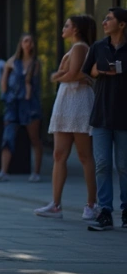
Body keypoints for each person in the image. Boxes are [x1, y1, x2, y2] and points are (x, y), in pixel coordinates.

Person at [35, 15, 97, 220]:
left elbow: (72, 74)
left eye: (67, 25)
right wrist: (66, 75)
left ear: (76, 29)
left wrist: (57, 75)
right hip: (66, 100)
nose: (63, 28)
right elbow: (72, 74)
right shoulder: (74, 48)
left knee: (84, 156)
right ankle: (56, 204)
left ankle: (91, 204)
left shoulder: (80, 47)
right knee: (59, 154)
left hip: (77, 102)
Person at [83, 8, 127, 231]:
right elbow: (87, 72)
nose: (104, 22)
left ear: (122, 24)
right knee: (102, 164)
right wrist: (100, 71)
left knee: (124, 165)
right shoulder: (98, 47)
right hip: (101, 113)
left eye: (109, 19)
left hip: (124, 115)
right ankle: (105, 212)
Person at [0, 34, 44, 182]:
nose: (28, 44)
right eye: (25, 41)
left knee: (34, 138)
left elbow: (31, 83)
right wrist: (5, 96)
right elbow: (4, 81)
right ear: (20, 44)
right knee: (8, 136)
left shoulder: (35, 63)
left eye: (30, 41)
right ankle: (3, 171)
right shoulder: (12, 61)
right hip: (13, 102)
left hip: (29, 104)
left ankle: (36, 172)